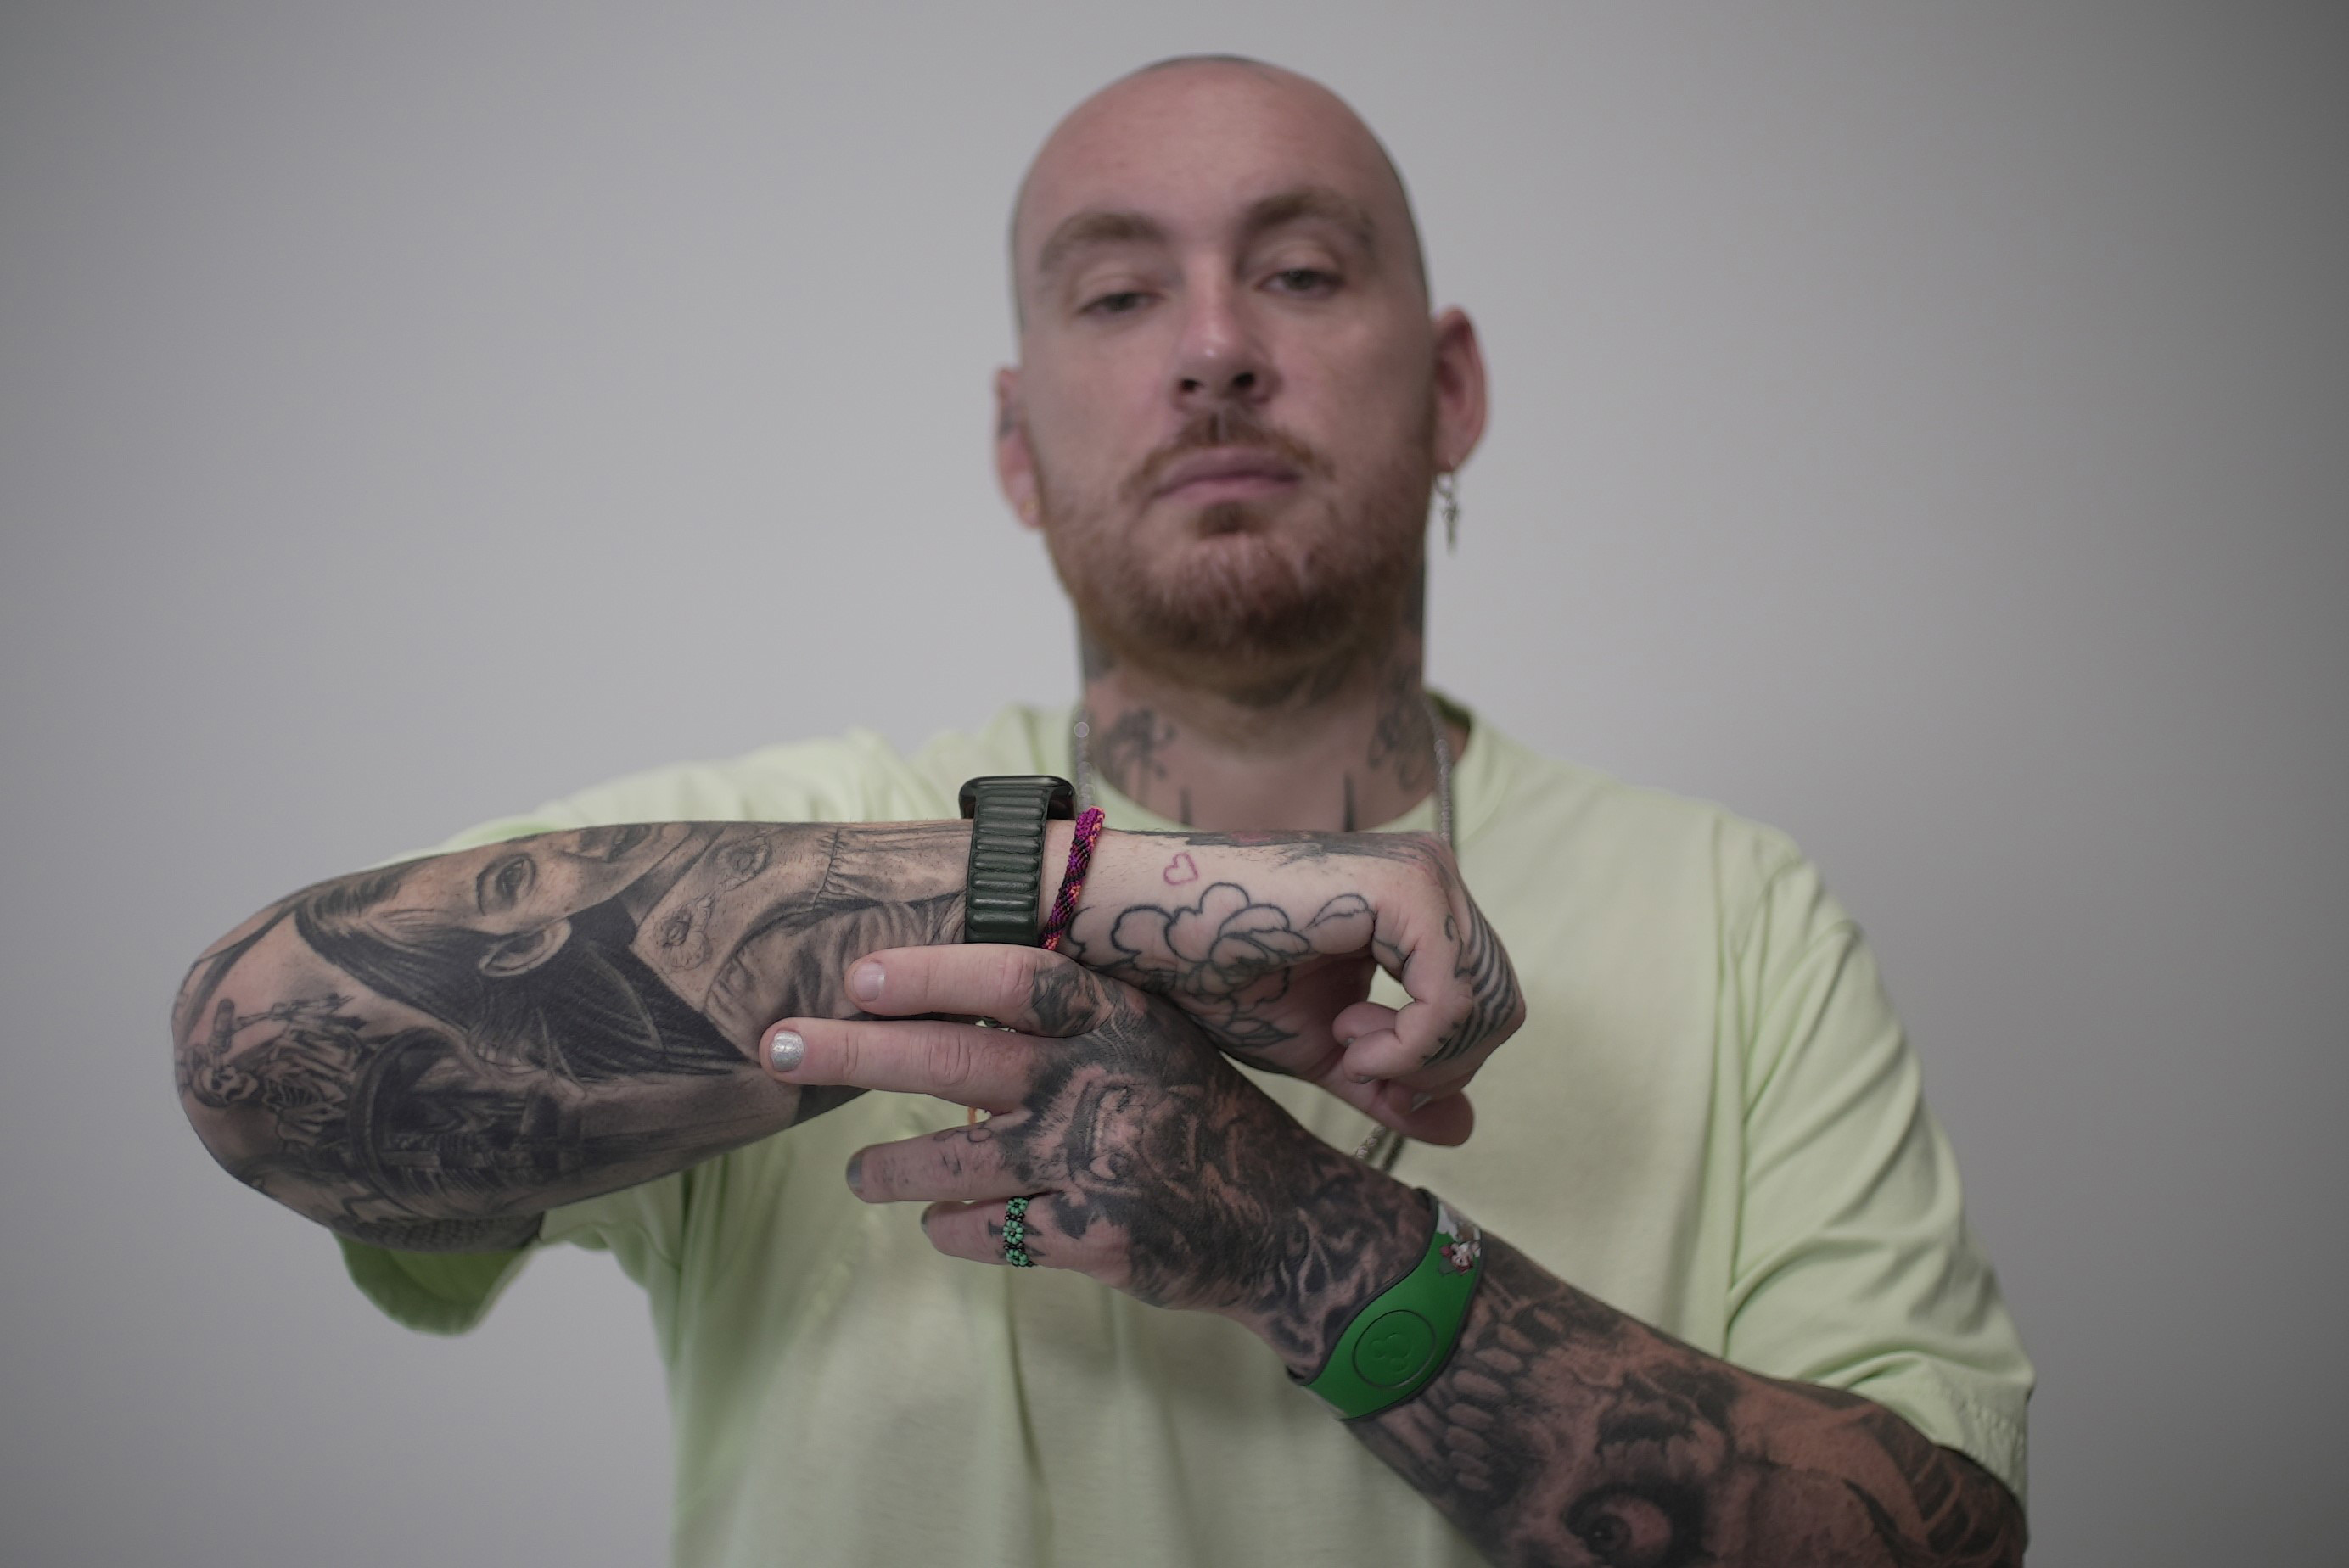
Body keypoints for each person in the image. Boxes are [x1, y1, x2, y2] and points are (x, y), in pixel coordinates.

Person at [176, 54, 2032, 1566]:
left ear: (1449, 385)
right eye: (1119, 291)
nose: (1214, 347)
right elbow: (254, 1048)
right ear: (1016, 441)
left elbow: (1937, 1545)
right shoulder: (785, 839)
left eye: (1300, 272)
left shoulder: (1729, 908)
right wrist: (1072, 891)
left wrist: (1317, 1242)